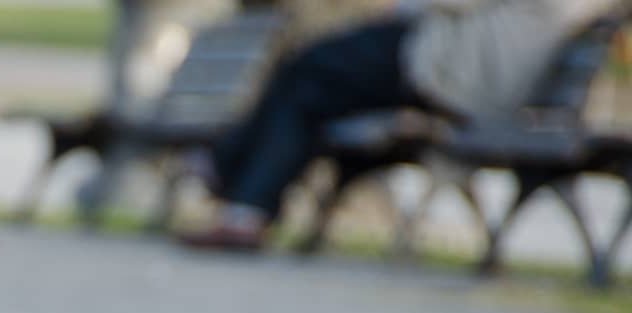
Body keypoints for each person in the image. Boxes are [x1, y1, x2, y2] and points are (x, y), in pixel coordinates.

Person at [179, 0, 621, 251]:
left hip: (448, 69)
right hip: (459, 67)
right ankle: (241, 202)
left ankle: (226, 170)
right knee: (308, 89)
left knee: (308, 66)